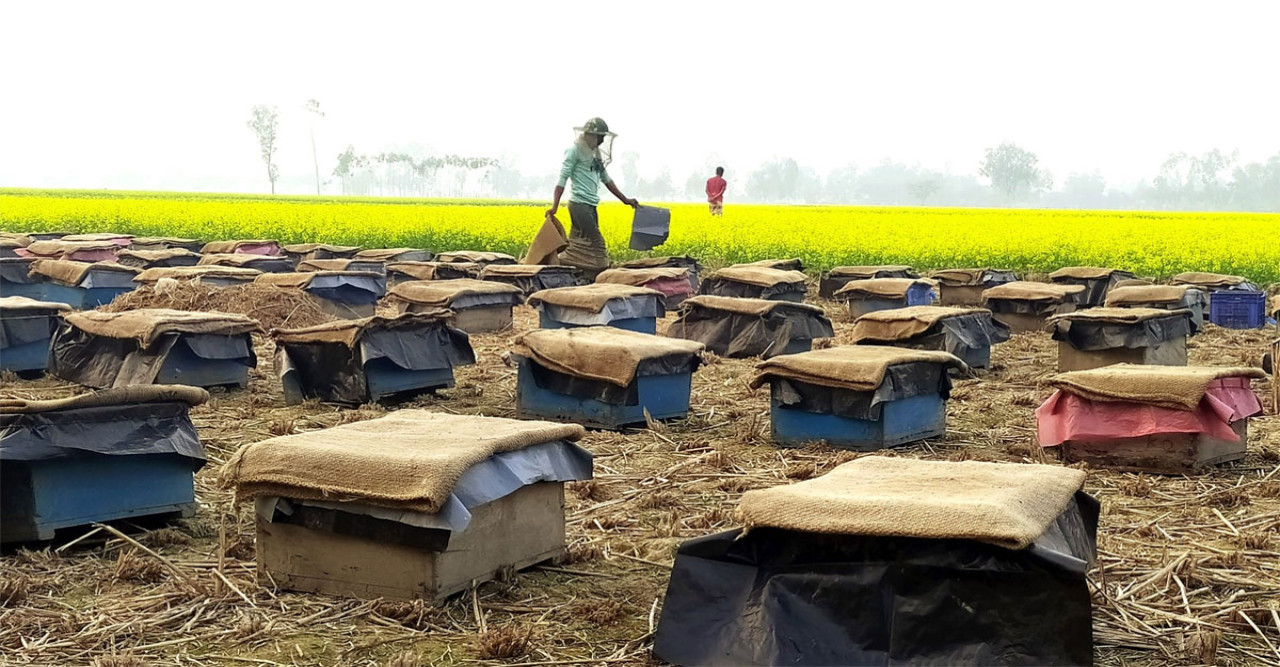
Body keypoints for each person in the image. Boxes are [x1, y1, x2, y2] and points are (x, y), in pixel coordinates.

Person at [546, 117, 638, 278]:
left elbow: (606, 179)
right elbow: (562, 179)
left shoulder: (595, 154)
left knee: (577, 243)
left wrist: (625, 200)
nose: (601, 141)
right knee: (597, 243)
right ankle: (593, 273)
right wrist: (554, 206)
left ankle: (571, 270)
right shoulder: (574, 151)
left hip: (590, 204)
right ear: (588, 135)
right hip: (579, 204)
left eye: (603, 138)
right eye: (598, 137)